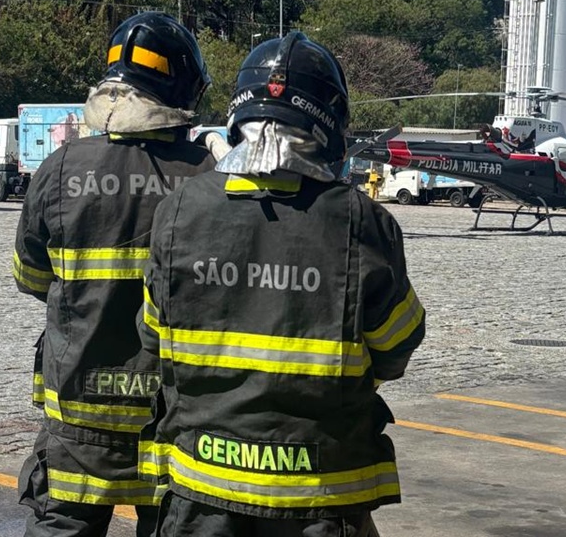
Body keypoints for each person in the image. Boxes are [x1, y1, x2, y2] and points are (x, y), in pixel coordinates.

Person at [136, 31, 426, 537]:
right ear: (329, 121)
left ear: (238, 115)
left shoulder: (179, 209)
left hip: (202, 488)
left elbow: (153, 335)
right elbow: (397, 345)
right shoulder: (361, 219)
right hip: (321, 490)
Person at [13, 11, 216, 537]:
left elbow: (32, 278)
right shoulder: (207, 179)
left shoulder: (59, 167)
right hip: (171, 410)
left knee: (63, 522)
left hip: (78, 405)